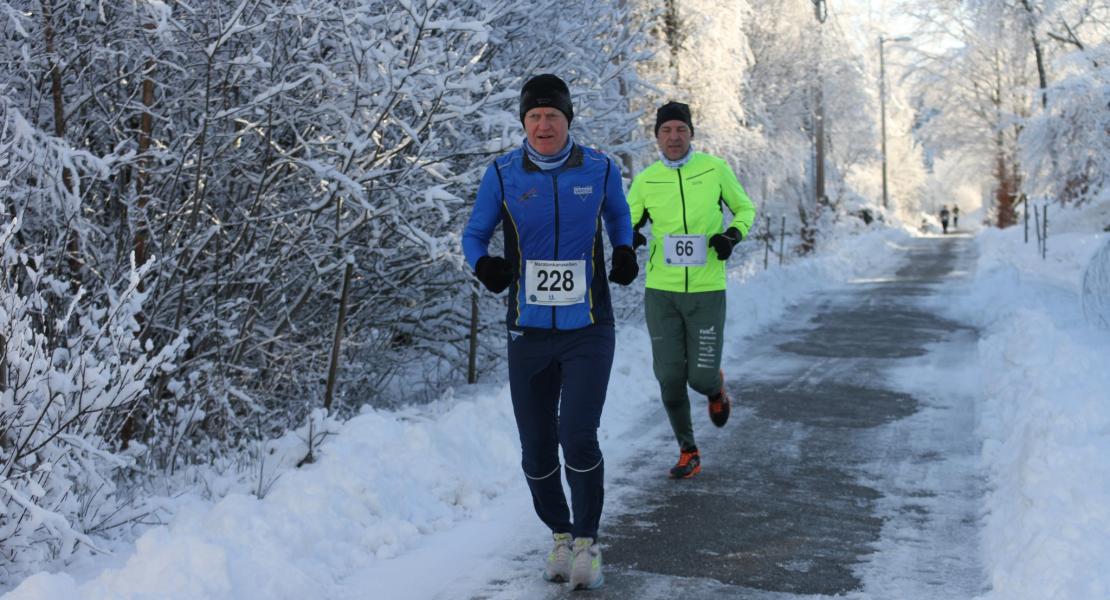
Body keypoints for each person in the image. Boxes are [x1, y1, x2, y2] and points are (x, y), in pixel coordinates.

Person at [462, 74, 637, 591]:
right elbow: (474, 233)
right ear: (523, 122)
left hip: (588, 327)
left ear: (568, 121)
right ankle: (559, 533)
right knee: (537, 449)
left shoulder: (600, 168)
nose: (543, 124)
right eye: (534, 116)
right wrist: (484, 265)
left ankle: (587, 541)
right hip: (528, 331)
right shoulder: (504, 173)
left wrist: (624, 250)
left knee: (576, 435)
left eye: (553, 116)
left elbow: (619, 217)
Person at [626, 101, 756, 479]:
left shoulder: (714, 170)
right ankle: (688, 450)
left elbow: (745, 209)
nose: (673, 137)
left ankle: (715, 390)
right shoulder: (647, 180)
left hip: (706, 290)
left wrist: (731, 235)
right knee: (668, 378)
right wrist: (628, 238)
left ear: (691, 133)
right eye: (666, 131)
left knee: (699, 377)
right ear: (656, 137)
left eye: (680, 129)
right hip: (661, 292)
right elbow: (626, 220)